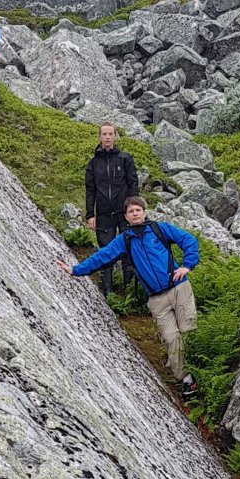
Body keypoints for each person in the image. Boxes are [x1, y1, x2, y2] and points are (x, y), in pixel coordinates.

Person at [58, 196, 200, 401]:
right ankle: (185, 379)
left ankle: (198, 374)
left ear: (144, 212)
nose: (135, 213)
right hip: (156, 299)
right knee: (171, 338)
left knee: (188, 333)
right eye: (131, 211)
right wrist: (76, 270)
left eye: (138, 210)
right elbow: (102, 256)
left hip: (179, 288)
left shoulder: (159, 229)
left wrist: (187, 265)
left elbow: (188, 240)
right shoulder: (125, 240)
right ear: (126, 217)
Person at [85, 123, 138, 297]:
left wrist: (132, 210)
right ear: (99, 137)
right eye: (104, 134)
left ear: (115, 136)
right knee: (106, 251)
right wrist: (90, 215)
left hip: (123, 214)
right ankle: (107, 292)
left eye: (110, 134)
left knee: (128, 250)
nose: (107, 137)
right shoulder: (93, 163)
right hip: (103, 214)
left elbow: (133, 184)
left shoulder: (125, 159)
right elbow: (90, 190)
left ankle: (129, 292)